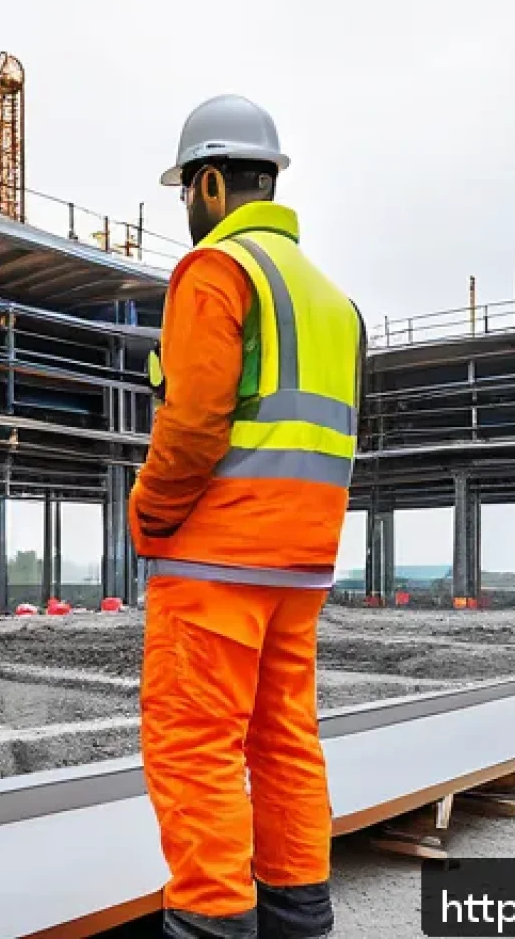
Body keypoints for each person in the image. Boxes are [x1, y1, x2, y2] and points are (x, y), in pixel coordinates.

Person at [131, 95, 365, 939]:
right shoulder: (333, 301)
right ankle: (300, 918)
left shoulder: (218, 272)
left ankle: (212, 923)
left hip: (215, 560)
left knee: (195, 747)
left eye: (188, 191)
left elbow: (192, 427)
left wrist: (147, 516)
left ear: (214, 182)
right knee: (285, 741)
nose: (187, 211)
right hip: (300, 564)